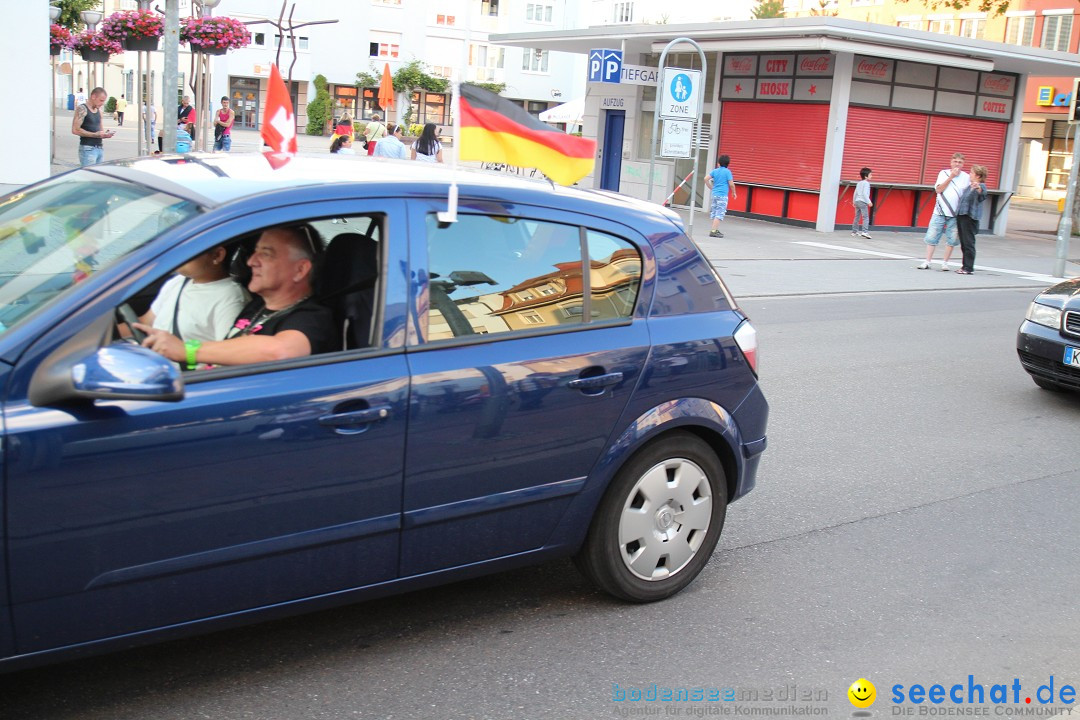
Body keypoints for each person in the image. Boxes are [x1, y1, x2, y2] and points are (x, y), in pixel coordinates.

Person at [137, 226, 336, 367]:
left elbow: (280, 351)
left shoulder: (313, 317)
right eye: (254, 252)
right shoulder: (256, 307)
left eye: (265, 254)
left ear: (300, 270)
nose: (251, 261)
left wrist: (187, 350)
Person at [136, 246, 250, 367]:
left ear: (217, 255)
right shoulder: (178, 282)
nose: (177, 255)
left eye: (187, 249)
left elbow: (227, 357)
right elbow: (145, 322)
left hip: (187, 379)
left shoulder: (231, 298)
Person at [918, 152, 969, 271]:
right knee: (932, 236)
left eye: (960, 162)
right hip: (940, 211)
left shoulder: (966, 177)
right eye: (955, 161)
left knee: (952, 239)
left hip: (955, 213)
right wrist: (950, 177)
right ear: (951, 162)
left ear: (963, 164)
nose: (957, 164)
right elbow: (939, 189)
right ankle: (927, 261)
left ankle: (945, 263)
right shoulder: (943, 173)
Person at [955, 165, 988, 275]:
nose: (969, 174)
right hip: (962, 215)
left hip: (969, 217)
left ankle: (968, 268)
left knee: (968, 243)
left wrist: (977, 187)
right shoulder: (969, 186)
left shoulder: (980, 185)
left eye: (971, 173)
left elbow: (982, 193)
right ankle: (965, 266)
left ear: (978, 176)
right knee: (964, 243)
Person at [72, 87, 114, 167]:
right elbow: (75, 130)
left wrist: (105, 134)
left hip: (99, 147)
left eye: (104, 101)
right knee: (89, 176)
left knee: (98, 176)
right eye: (101, 100)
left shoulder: (99, 111)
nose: (102, 103)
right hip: (88, 148)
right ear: (93, 97)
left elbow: (100, 130)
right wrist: (95, 134)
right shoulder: (82, 109)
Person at [704, 155, 736, 238]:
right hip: (722, 195)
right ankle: (713, 231)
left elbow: (705, 179)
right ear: (728, 164)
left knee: (715, 212)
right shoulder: (727, 172)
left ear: (719, 163)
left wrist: (710, 187)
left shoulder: (715, 171)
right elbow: (731, 184)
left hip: (714, 195)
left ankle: (715, 228)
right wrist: (734, 192)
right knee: (719, 213)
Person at [852, 167, 873, 239]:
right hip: (863, 201)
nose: (871, 176)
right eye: (870, 175)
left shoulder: (859, 183)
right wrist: (869, 201)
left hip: (857, 201)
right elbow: (865, 193)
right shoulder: (866, 183)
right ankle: (865, 232)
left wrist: (854, 201)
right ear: (866, 176)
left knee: (857, 217)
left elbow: (855, 193)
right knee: (866, 217)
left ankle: (854, 231)